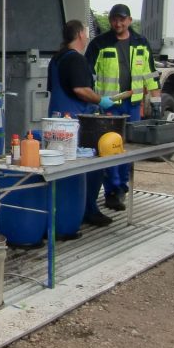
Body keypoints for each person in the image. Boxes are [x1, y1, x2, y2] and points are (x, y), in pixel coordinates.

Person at [85, 3, 161, 211]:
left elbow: (151, 74)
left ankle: (121, 188)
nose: (118, 23)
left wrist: (156, 102)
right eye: (114, 19)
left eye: (122, 19)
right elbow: (88, 75)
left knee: (127, 148)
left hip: (133, 104)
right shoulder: (99, 43)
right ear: (110, 21)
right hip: (109, 106)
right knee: (109, 149)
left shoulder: (141, 43)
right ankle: (111, 190)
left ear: (129, 20)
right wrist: (94, 101)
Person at [47, 19, 115, 226]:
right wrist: (100, 101)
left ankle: (64, 210)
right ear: (79, 35)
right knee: (90, 166)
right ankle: (88, 210)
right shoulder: (76, 59)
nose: (87, 37)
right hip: (75, 122)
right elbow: (80, 90)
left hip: (55, 120)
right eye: (85, 33)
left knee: (61, 167)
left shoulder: (56, 59)